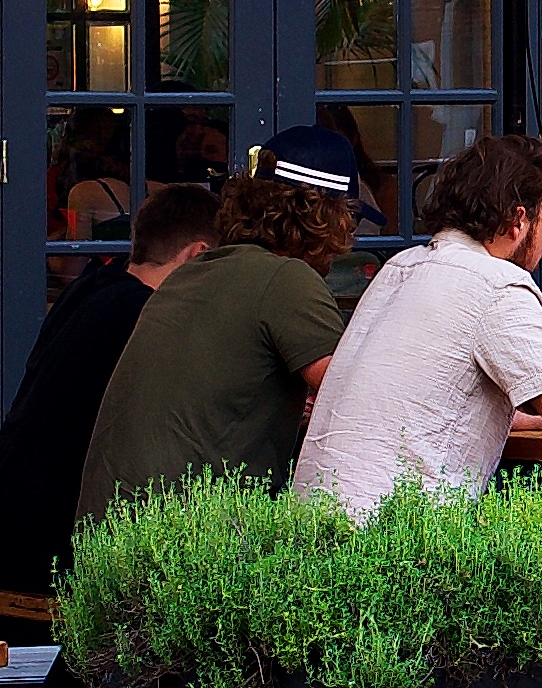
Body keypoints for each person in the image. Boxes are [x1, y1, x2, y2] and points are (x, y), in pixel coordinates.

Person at [291, 129, 542, 514]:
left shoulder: (403, 266)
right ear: (519, 220)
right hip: (389, 534)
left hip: (312, 524)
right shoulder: (497, 283)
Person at [69, 122, 366, 537]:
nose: (346, 241)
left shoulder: (194, 274)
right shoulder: (286, 279)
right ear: (327, 217)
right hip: (184, 551)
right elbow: (355, 400)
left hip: (107, 545)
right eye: (350, 224)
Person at [0, 179, 205, 597]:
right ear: (198, 255)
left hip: (5, 528)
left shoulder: (95, 287)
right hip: (55, 547)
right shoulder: (143, 317)